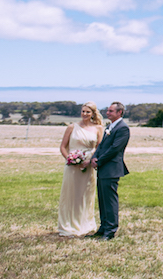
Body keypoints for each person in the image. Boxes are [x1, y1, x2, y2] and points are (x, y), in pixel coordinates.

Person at [57, 102, 104, 237]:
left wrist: (89, 161)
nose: (84, 114)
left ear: (93, 114)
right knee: (70, 194)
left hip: (88, 166)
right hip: (72, 167)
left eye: (88, 112)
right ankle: (68, 224)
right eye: (83, 111)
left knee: (85, 195)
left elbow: (99, 148)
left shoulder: (98, 128)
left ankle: (84, 223)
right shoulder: (72, 127)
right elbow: (63, 147)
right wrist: (70, 160)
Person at [87, 101, 130, 240]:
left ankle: (110, 230)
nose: (107, 113)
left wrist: (99, 160)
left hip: (111, 168)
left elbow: (114, 149)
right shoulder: (109, 127)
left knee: (110, 200)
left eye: (111, 111)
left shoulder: (123, 128)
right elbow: (101, 146)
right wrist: (94, 157)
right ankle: (103, 227)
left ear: (119, 113)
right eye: (108, 110)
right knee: (103, 199)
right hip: (103, 168)